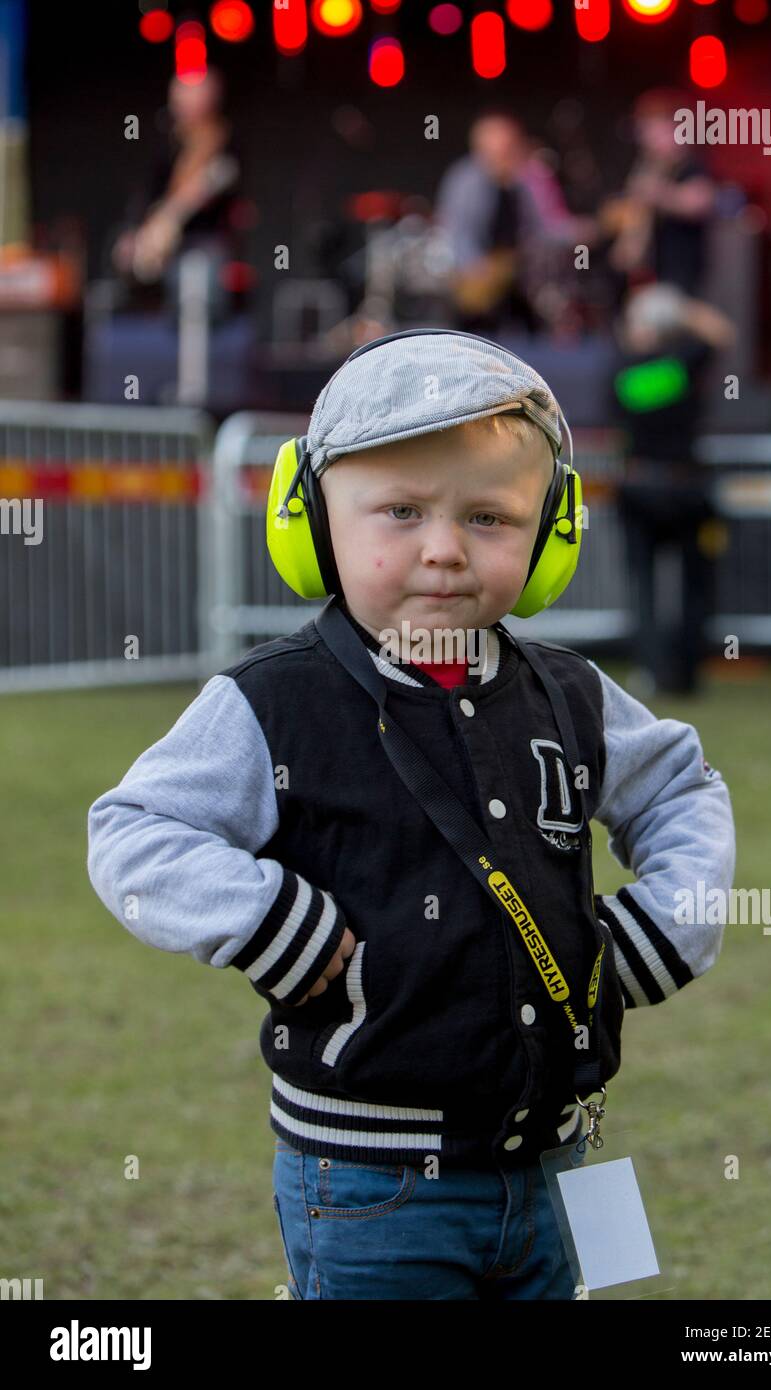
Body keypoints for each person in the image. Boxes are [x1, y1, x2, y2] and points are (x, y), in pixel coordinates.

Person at [86, 331, 736, 1300]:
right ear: (307, 520)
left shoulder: (571, 696)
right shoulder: (274, 701)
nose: (441, 548)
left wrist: (661, 928)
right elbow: (131, 831)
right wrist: (278, 927)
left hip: (552, 1166)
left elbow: (680, 787)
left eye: (488, 516)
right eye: (398, 510)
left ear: (550, 533)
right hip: (369, 1190)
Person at [611, 284, 736, 696]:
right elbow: (722, 333)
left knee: (642, 588)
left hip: (639, 487)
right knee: (694, 585)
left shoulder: (622, 371)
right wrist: (682, 308)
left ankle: (652, 670)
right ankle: (686, 675)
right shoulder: (685, 363)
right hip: (685, 488)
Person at [435, 111, 594, 336]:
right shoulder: (465, 179)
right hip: (481, 281)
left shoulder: (531, 177)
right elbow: (455, 230)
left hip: (525, 276)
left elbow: (549, 224)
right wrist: (474, 265)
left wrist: (581, 231)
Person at [110, 68, 242, 313]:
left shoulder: (225, 141)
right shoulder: (167, 141)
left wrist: (181, 210)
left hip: (205, 239)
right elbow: (149, 191)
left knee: (199, 293)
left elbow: (223, 188)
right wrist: (137, 231)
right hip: (164, 237)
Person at [601, 88, 717, 302]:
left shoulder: (689, 166)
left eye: (654, 129)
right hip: (647, 277)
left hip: (680, 278)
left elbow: (700, 202)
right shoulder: (646, 167)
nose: (647, 138)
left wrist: (657, 193)